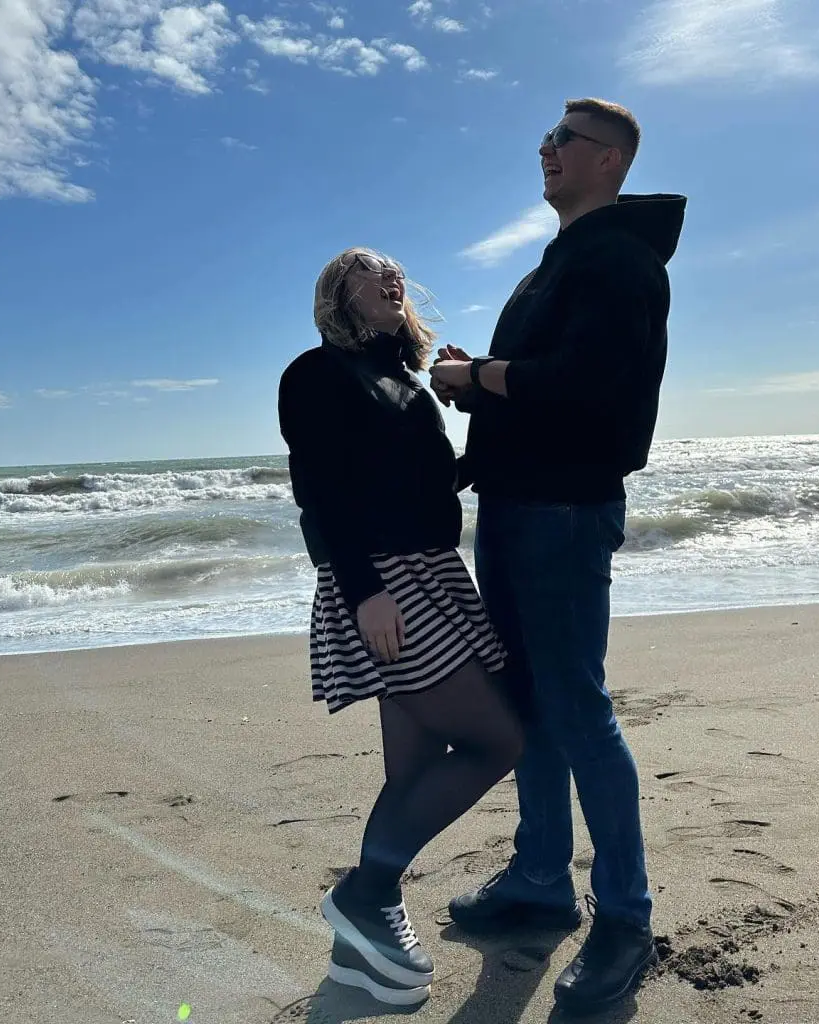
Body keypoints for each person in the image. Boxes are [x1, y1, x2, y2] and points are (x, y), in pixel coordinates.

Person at [430, 98, 686, 1014]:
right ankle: (541, 877)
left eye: (564, 138)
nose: (545, 147)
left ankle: (625, 918)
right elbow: (545, 389)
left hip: (565, 514)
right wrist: (478, 387)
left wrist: (478, 375)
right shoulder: (559, 261)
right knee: (529, 704)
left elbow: (590, 386)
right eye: (545, 136)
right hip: (515, 506)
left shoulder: (620, 258)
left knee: (577, 709)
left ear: (609, 160)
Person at [278, 248, 523, 1005]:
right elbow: (321, 492)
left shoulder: (406, 382)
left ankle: (359, 949)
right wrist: (364, 592)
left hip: (432, 572)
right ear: (337, 294)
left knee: (413, 770)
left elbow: (432, 484)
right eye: (367, 270)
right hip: (385, 582)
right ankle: (365, 894)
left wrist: (483, 409)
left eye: (394, 271)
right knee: (497, 741)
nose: (390, 277)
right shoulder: (317, 373)